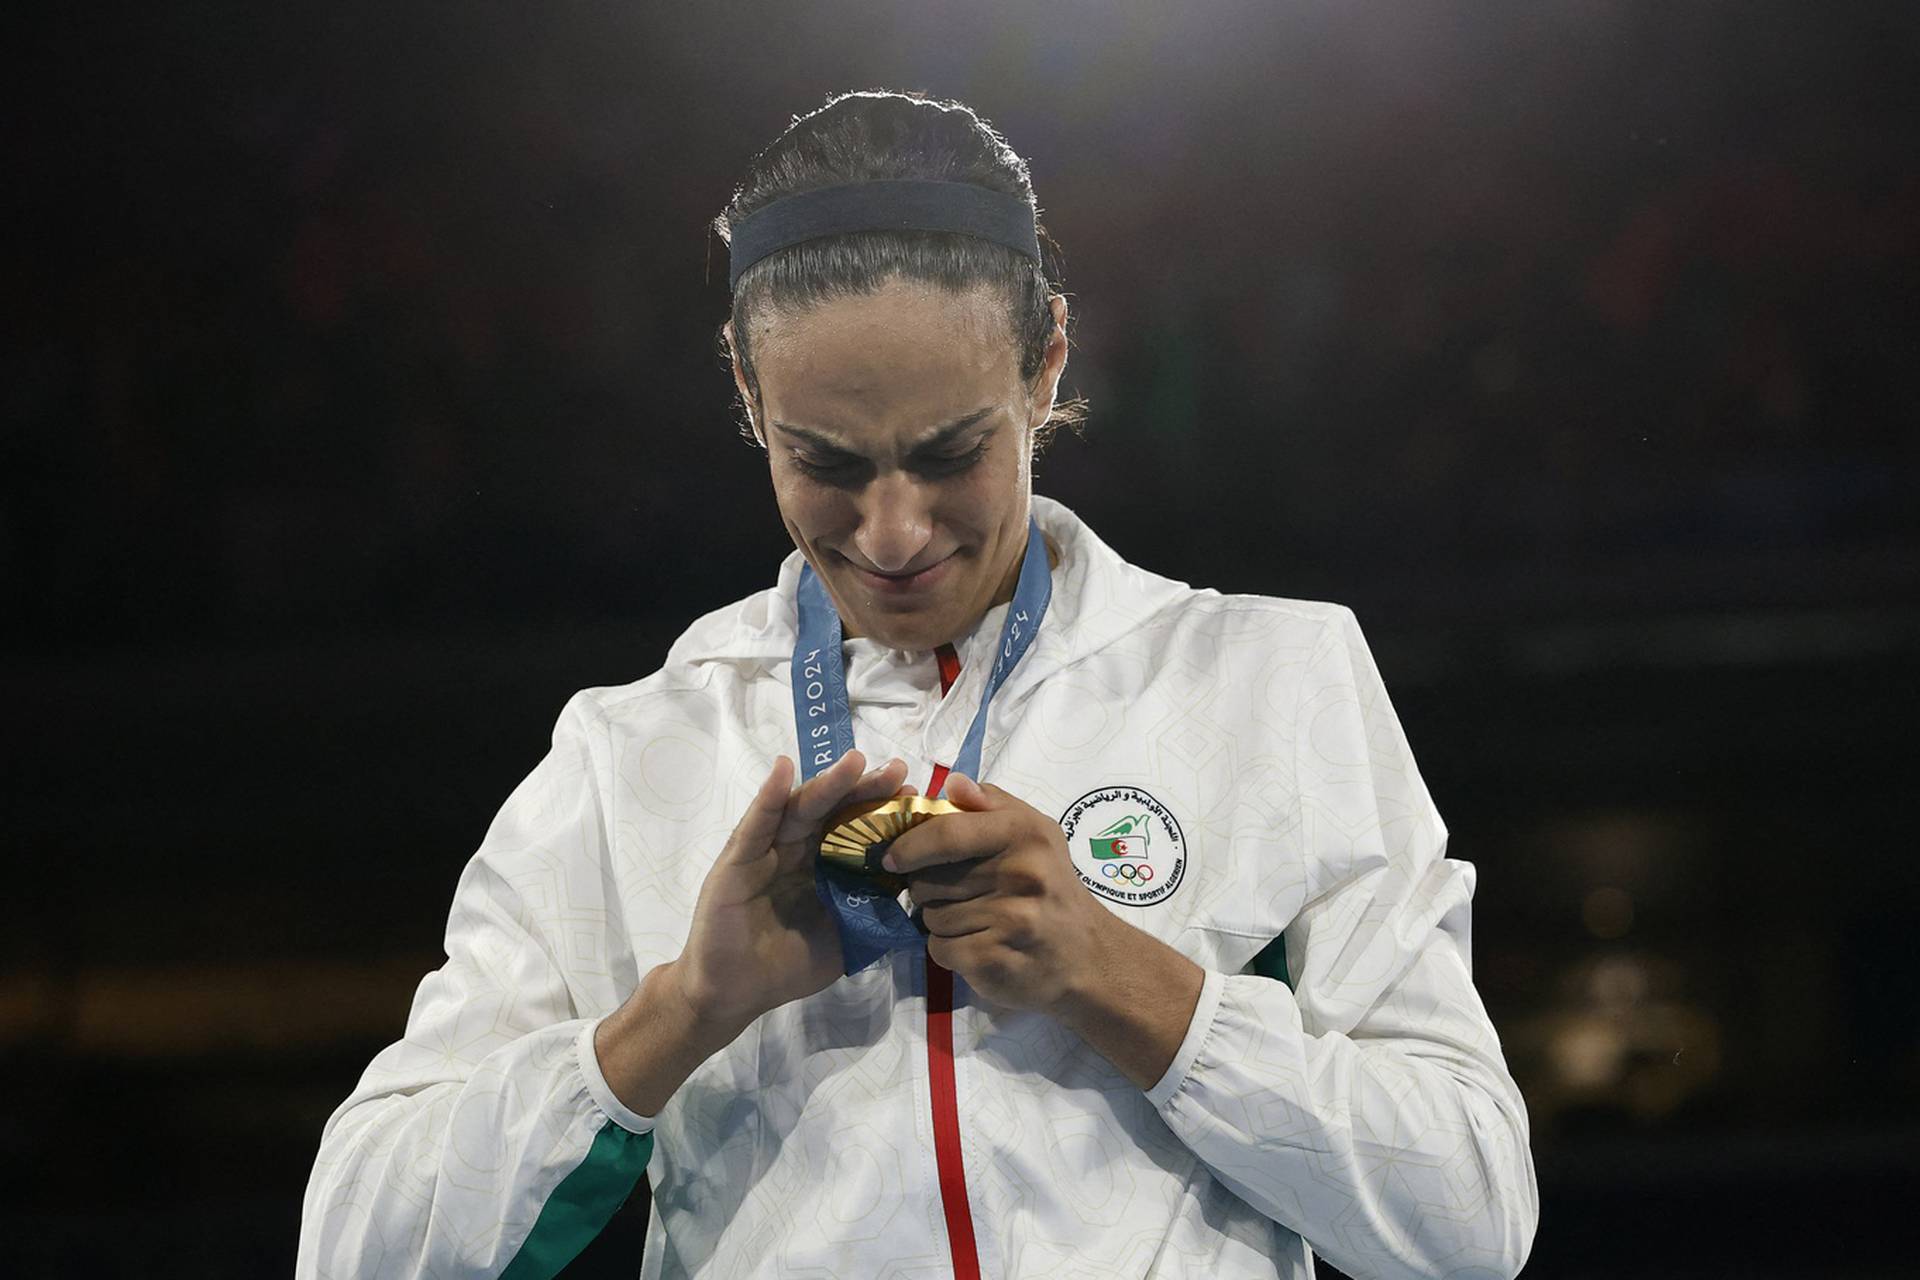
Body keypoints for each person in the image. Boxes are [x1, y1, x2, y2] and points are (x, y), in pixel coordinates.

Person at [298, 88, 1538, 1280]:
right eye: (823, 461)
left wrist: (1122, 977)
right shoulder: (631, 755)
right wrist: (679, 1011)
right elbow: (353, 1249)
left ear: (1046, 366)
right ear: (746, 389)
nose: (891, 534)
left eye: (951, 453)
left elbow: (1470, 1214)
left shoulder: (1268, 680)